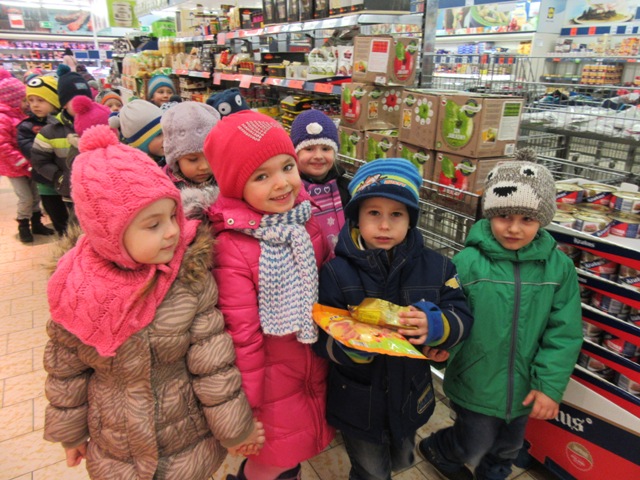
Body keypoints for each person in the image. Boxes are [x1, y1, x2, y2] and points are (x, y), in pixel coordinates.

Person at [43, 124, 265, 479]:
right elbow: (66, 372)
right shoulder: (74, 289)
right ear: (108, 234)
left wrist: (235, 430)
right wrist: (70, 434)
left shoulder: (189, 278)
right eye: (153, 225)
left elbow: (213, 364)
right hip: (116, 444)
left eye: (172, 216)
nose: (173, 231)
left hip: (183, 439)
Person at [418, 151, 583, 480]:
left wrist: (549, 386)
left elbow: (563, 332)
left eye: (527, 219)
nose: (514, 228)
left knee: (508, 447)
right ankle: (440, 449)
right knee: (473, 441)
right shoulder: (467, 263)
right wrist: (441, 348)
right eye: (504, 216)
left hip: (524, 387)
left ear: (543, 219)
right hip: (474, 382)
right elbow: (452, 315)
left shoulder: (558, 268)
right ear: (490, 213)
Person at [313, 158, 474, 480]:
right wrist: (349, 347)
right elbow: (320, 337)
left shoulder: (439, 267)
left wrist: (437, 327)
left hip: (411, 393)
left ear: (411, 219)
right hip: (358, 399)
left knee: (401, 456)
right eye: (374, 213)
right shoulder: (336, 272)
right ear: (356, 217)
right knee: (372, 471)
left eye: (396, 214)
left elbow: (462, 314)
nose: (385, 225)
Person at [203, 110, 335, 480]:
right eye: (261, 176)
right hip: (266, 388)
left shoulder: (304, 220)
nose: (281, 184)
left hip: (309, 366)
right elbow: (241, 337)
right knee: (273, 460)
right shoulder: (233, 247)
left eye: (287, 167)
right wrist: (243, 412)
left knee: (288, 457)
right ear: (236, 186)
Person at [30, 65, 93, 230]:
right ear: (64, 103)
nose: (83, 103)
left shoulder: (97, 124)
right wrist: (59, 177)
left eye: (87, 98)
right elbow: (39, 160)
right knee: (73, 229)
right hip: (70, 192)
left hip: (96, 192)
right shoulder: (50, 131)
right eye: (76, 99)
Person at [0, 69, 54, 242]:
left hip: (29, 164)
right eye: (26, 100)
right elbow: (3, 146)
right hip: (14, 167)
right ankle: (23, 224)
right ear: (13, 100)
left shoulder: (21, 116)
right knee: (26, 197)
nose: (29, 104)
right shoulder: (3, 118)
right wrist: (23, 161)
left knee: (35, 194)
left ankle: (36, 223)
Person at [290, 109, 350, 248]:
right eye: (309, 149)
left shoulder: (345, 187)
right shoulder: (289, 191)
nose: (318, 156)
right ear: (295, 153)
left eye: (325, 149)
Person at [17, 75, 68, 236]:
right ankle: (64, 238)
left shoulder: (66, 122)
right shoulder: (26, 126)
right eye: (31, 100)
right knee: (58, 217)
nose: (35, 105)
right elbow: (34, 153)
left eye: (41, 100)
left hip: (69, 180)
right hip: (47, 181)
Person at [161, 101, 220, 218]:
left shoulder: (224, 179)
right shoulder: (166, 188)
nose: (204, 166)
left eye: (210, 157)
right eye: (193, 159)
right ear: (175, 160)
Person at [108, 99, 165, 166]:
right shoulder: (138, 167)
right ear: (141, 144)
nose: (167, 137)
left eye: (167, 131)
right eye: (159, 134)